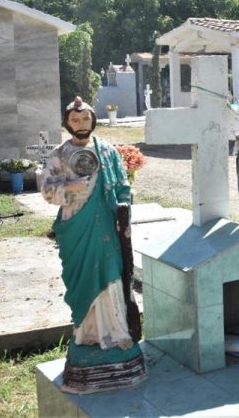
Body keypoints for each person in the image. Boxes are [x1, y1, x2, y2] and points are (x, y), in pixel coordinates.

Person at [41, 96, 146, 394]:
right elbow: (47, 190)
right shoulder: (59, 155)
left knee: (111, 274)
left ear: (93, 121)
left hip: (105, 228)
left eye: (85, 119)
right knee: (82, 279)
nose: (81, 125)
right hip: (76, 227)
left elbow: (123, 186)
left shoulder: (107, 151)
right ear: (67, 123)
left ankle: (117, 332)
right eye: (75, 121)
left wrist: (124, 210)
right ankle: (87, 335)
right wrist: (70, 187)